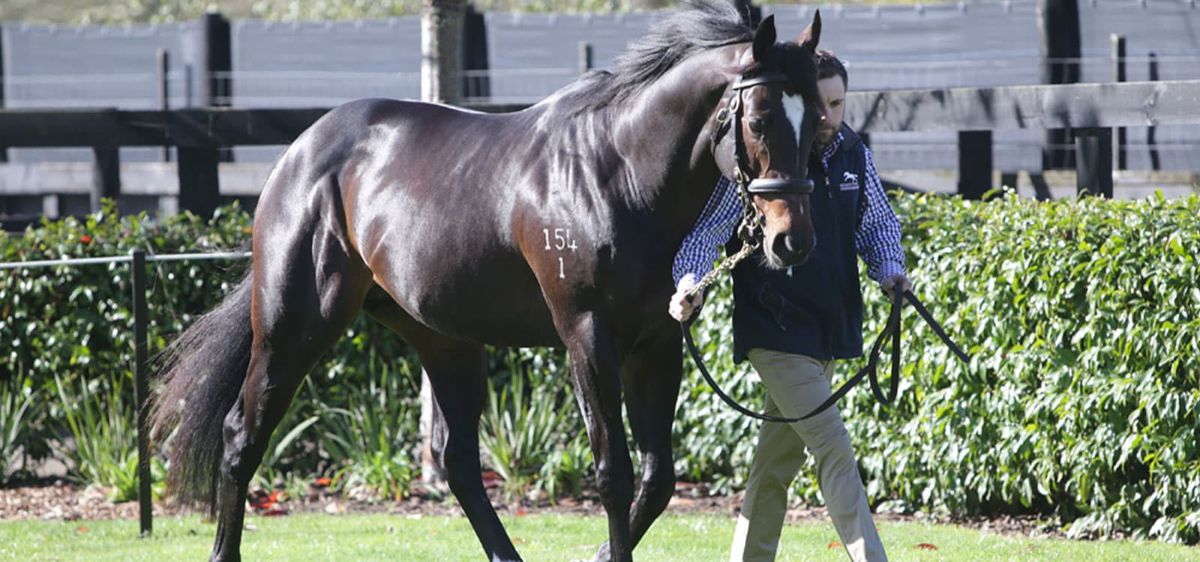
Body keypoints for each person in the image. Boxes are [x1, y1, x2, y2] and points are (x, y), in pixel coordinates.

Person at [668, 50, 910, 562]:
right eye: (820, 105)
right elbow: (706, 233)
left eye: (837, 104)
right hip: (775, 331)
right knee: (834, 450)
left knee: (774, 468)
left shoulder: (853, 154)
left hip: (827, 330)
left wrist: (891, 271)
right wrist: (689, 282)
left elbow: (877, 225)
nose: (828, 117)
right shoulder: (762, 162)